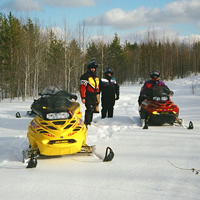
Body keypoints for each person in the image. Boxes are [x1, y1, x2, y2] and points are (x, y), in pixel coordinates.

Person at [79, 61, 100, 126]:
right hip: (88, 95)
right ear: (89, 68)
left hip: (94, 95)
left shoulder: (96, 77)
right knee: (89, 109)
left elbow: (98, 87)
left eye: (94, 68)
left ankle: (90, 122)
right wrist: (83, 97)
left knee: (93, 109)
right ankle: (87, 123)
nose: (93, 69)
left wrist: (98, 96)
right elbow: (82, 87)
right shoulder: (85, 76)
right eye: (91, 68)